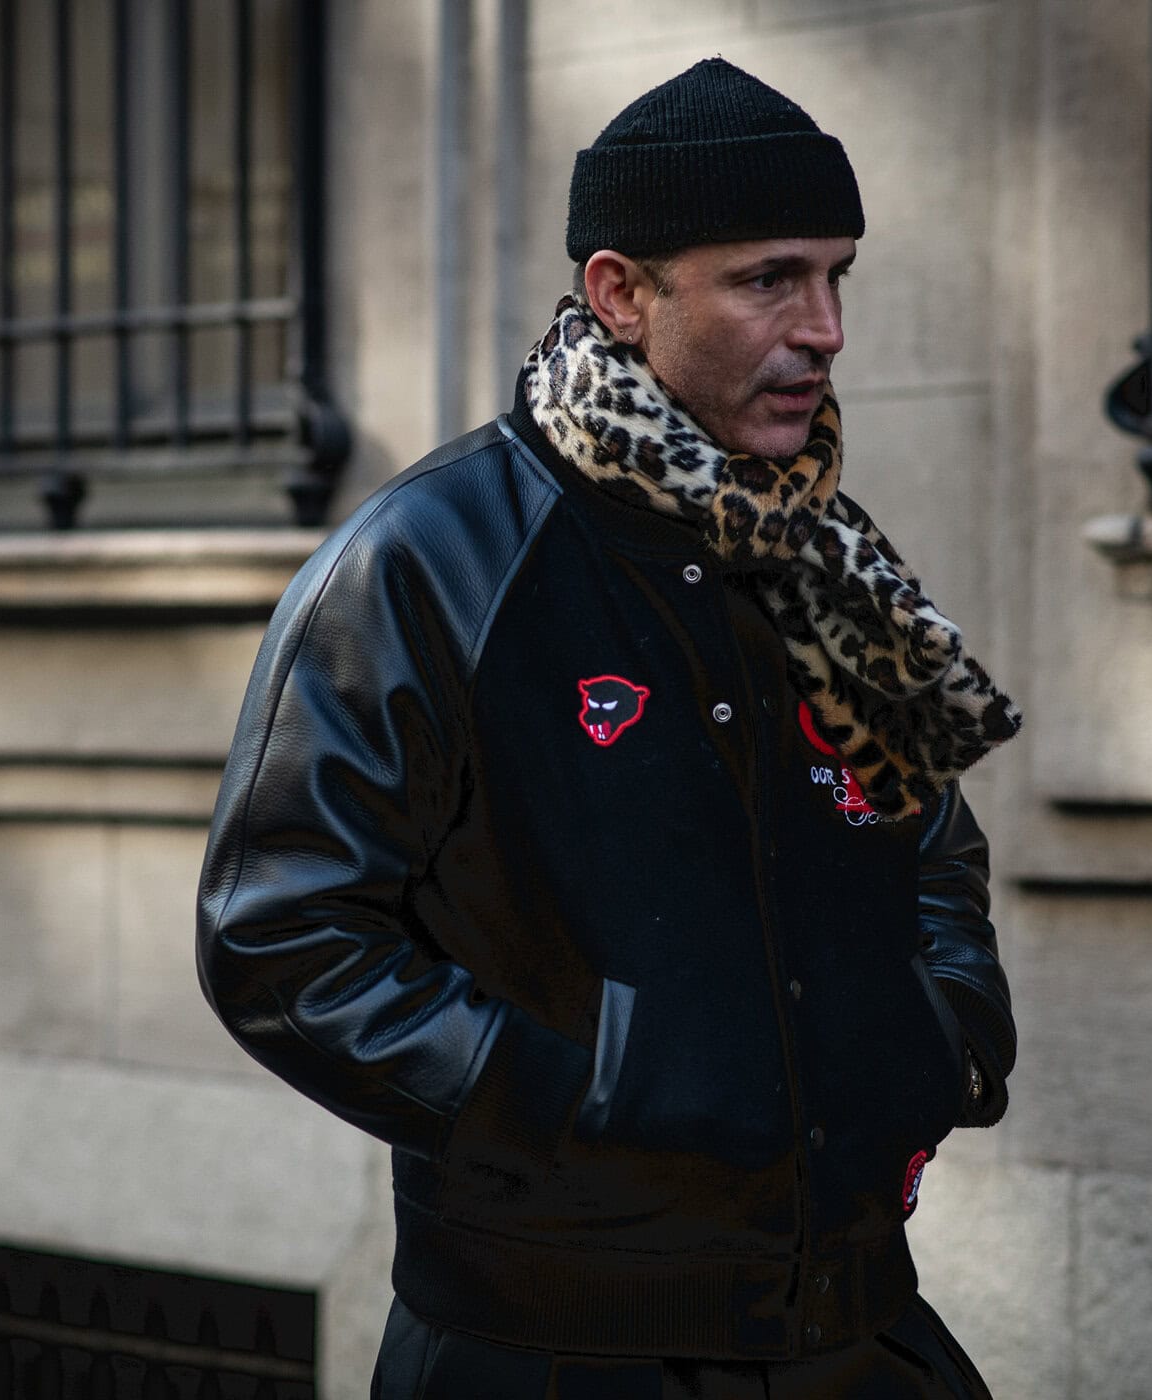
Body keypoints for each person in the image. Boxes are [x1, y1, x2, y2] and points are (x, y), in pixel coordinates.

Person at [197, 57, 1023, 1400]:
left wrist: (949, 1027)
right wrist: (576, 1096)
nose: (824, 329)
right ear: (622, 293)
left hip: (862, 1333)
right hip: (548, 1353)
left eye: (837, 277)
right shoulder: (431, 562)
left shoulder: (821, 553)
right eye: (770, 279)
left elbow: (929, 843)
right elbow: (278, 935)